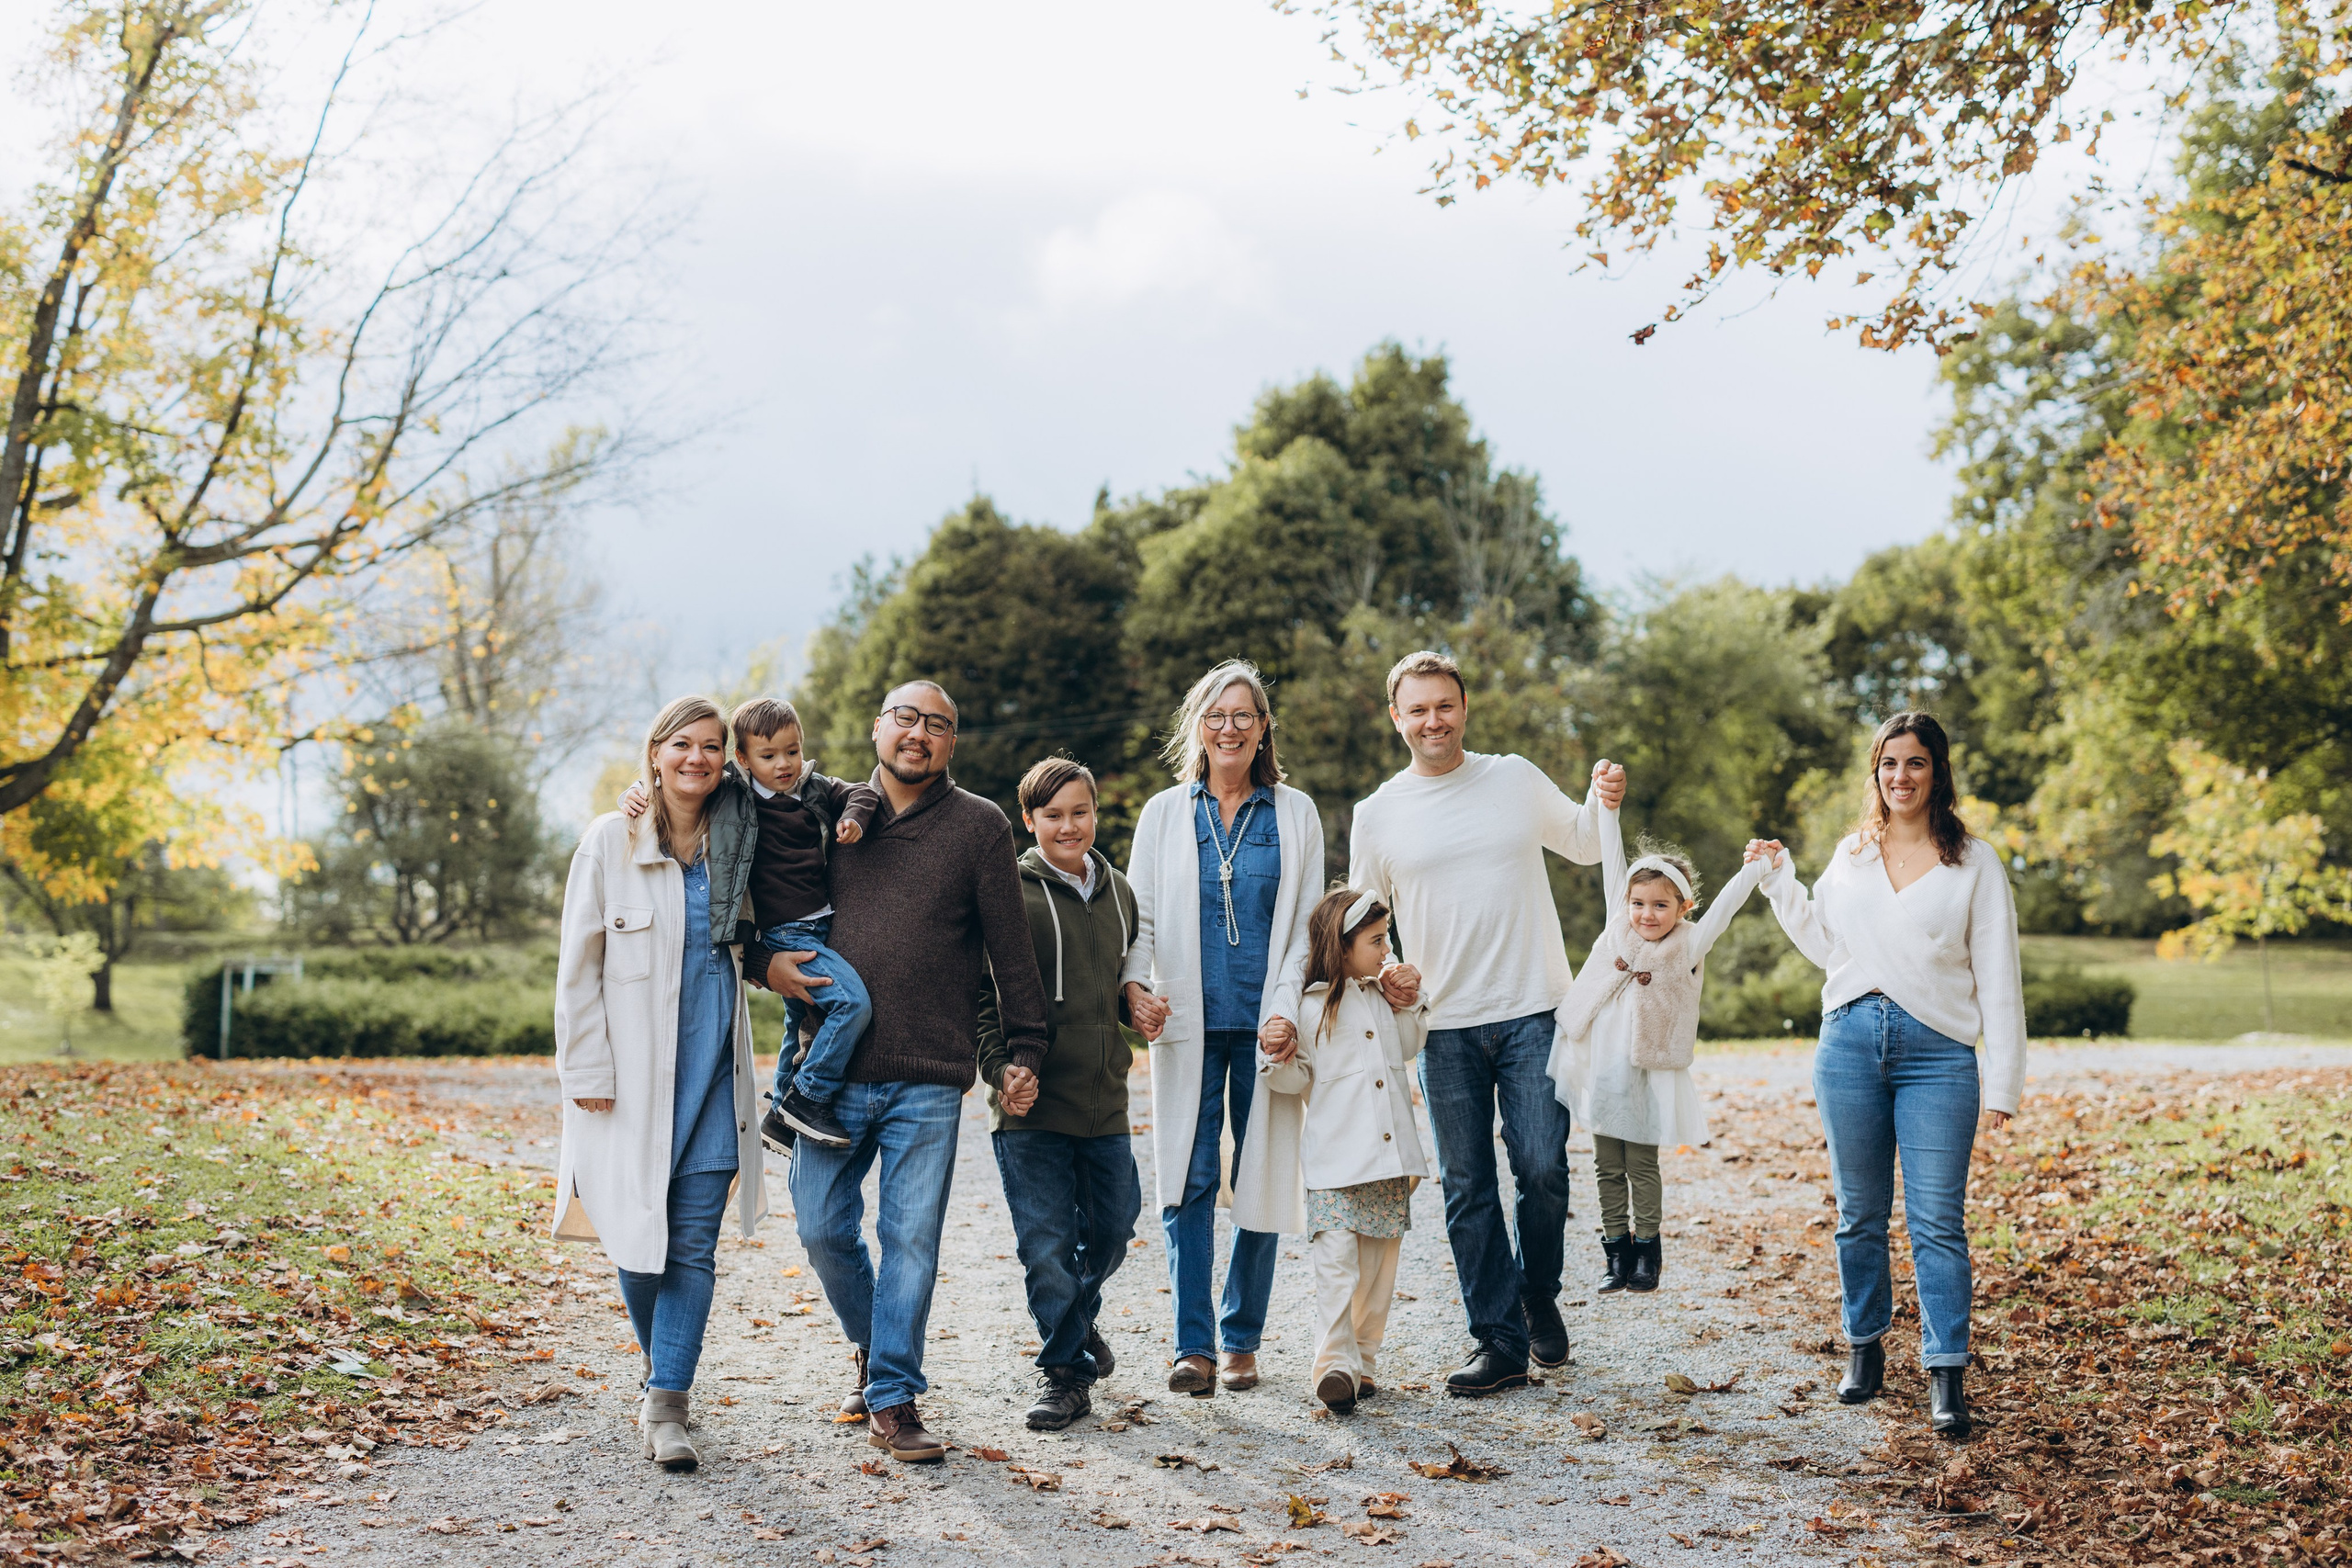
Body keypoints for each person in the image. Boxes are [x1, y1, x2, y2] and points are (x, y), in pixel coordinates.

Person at [745, 680, 1051, 1462]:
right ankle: (873, 1345)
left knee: (910, 1237)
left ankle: (892, 1394)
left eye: (938, 724)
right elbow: (744, 880)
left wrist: (1024, 1050)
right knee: (818, 1226)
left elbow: (1011, 952)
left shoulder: (979, 826)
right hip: (829, 1074)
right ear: (877, 726)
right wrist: (762, 964)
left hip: (927, 1072)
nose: (919, 734)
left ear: (953, 742)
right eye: (906, 718)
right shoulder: (823, 810)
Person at [1346, 649, 1625, 1395]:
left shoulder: (1512, 777)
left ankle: (1536, 1292)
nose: (1433, 719)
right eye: (1418, 708)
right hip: (1443, 1026)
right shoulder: (1376, 815)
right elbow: (1363, 928)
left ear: (1464, 708)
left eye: (1445, 704)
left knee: (1542, 1168)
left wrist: (1604, 795)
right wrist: (1388, 968)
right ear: (1396, 717)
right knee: (1469, 1187)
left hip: (1536, 1008)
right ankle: (1497, 1339)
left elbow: (1586, 842)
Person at [1749, 710, 2025, 1439]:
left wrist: (2004, 1085)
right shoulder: (1852, 855)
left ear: (1938, 772)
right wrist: (1781, 881)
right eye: (1888, 764)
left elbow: (1999, 979)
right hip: (1848, 1046)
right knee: (1858, 1215)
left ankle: (1945, 1372)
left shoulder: (1975, 862)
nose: (1900, 777)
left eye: (1915, 763)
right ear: (1875, 774)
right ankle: (1864, 1349)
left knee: (1937, 1220)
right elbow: (1823, 942)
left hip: (1939, 1056)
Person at [552, 695, 767, 1473]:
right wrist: (585, 1070)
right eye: (683, 744)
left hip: (712, 1077)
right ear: (655, 752)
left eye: (713, 747)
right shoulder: (609, 842)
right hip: (631, 1083)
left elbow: (804, 792)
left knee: (694, 1247)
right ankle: (659, 1374)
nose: (697, 759)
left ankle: (668, 1400)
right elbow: (577, 970)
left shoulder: (741, 840)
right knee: (638, 1243)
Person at [1121, 659, 1322, 1398]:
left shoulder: (1294, 812)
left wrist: (1284, 1009)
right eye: (1216, 714)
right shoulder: (1163, 813)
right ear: (1197, 726)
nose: (1230, 727)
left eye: (1244, 715)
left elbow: (1304, 925)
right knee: (1188, 1176)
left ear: (1263, 726)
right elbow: (1136, 918)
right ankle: (1193, 1343)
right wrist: (1134, 987)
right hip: (1186, 1023)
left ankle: (1242, 1338)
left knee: (1261, 1175)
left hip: (1265, 1025)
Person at [975, 757, 1145, 1432]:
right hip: (1031, 1109)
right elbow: (981, 997)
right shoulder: (1006, 892)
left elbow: (1121, 985)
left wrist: (1140, 1010)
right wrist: (999, 1071)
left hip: (1105, 1102)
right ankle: (1066, 1373)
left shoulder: (1122, 892)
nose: (1067, 825)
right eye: (1052, 815)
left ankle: (1074, 1324)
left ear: (1095, 813)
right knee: (1045, 1245)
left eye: (1080, 811)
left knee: (1113, 1229)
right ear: (1029, 820)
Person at [1546, 807, 1767, 1294]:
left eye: (1661, 906)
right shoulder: (1616, 928)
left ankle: (1647, 1252)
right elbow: (1610, 860)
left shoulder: (1688, 945)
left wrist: (1757, 867)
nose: (1647, 915)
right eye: (1639, 903)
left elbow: (1727, 906)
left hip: (1645, 1071)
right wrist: (1608, 808)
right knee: (1606, 1165)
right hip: (1603, 1070)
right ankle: (1616, 1252)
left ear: (1683, 908)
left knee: (1640, 1165)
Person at [1250, 886, 1430, 1415]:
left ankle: (1364, 1362)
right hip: (1333, 1162)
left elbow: (1411, 1042)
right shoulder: (1307, 1008)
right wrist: (1276, 1056)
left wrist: (1411, 998)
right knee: (1336, 1264)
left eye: (1387, 938)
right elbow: (1291, 1080)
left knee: (1377, 1270)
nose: (1385, 948)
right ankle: (1334, 1364)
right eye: (1376, 940)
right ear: (1343, 945)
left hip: (1389, 1159)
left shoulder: (1382, 997)